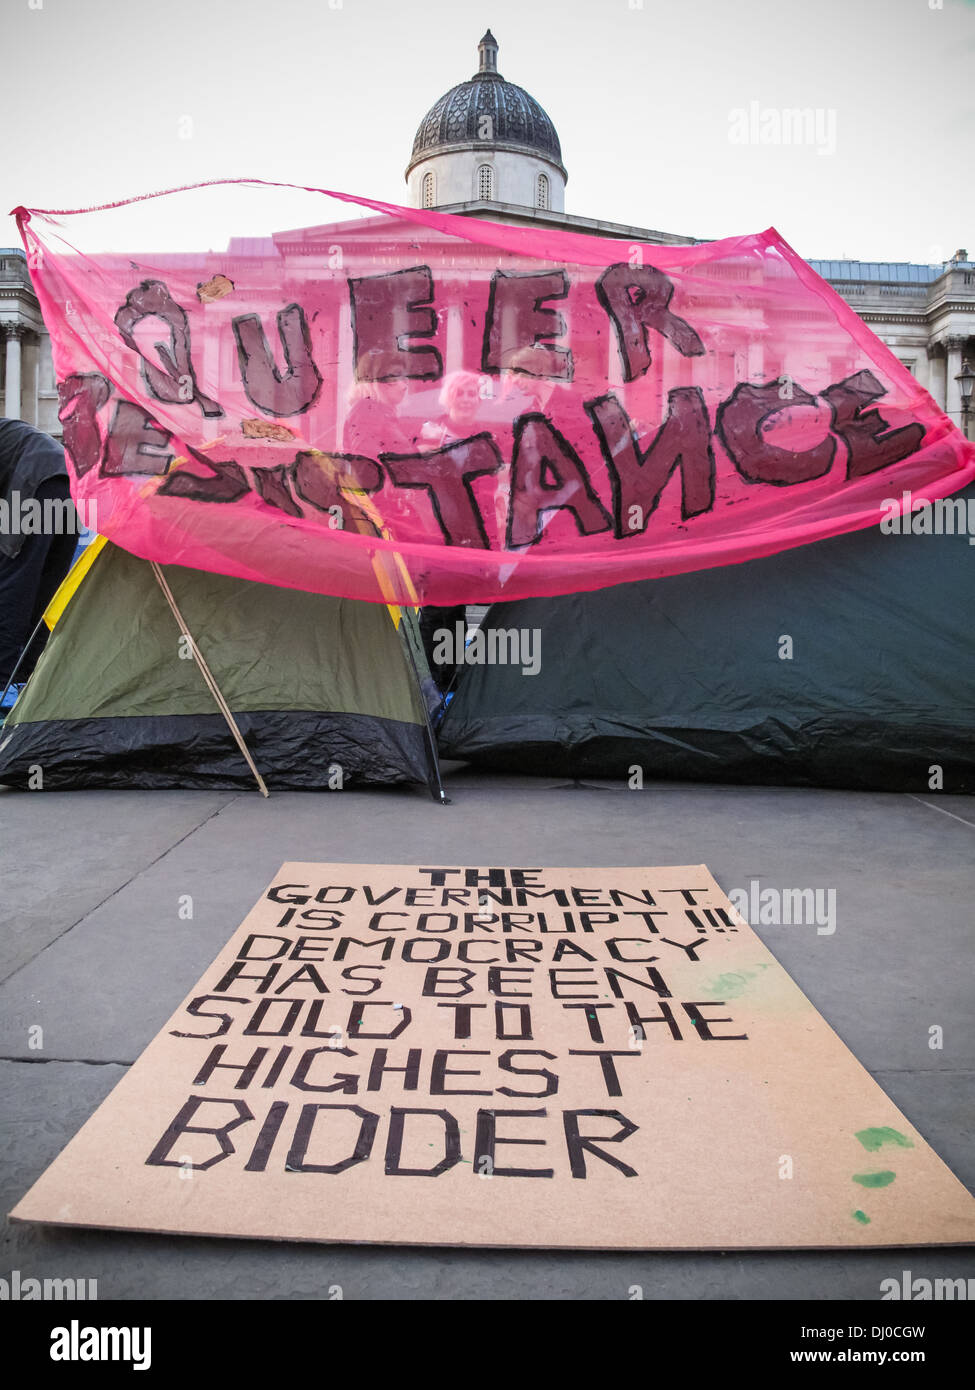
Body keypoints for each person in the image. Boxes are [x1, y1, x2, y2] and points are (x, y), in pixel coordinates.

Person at [0, 418, 79, 694]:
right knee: (47, 588)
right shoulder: (10, 432)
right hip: (71, 485)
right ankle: (31, 677)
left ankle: (2, 683)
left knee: (13, 583)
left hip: (37, 480)